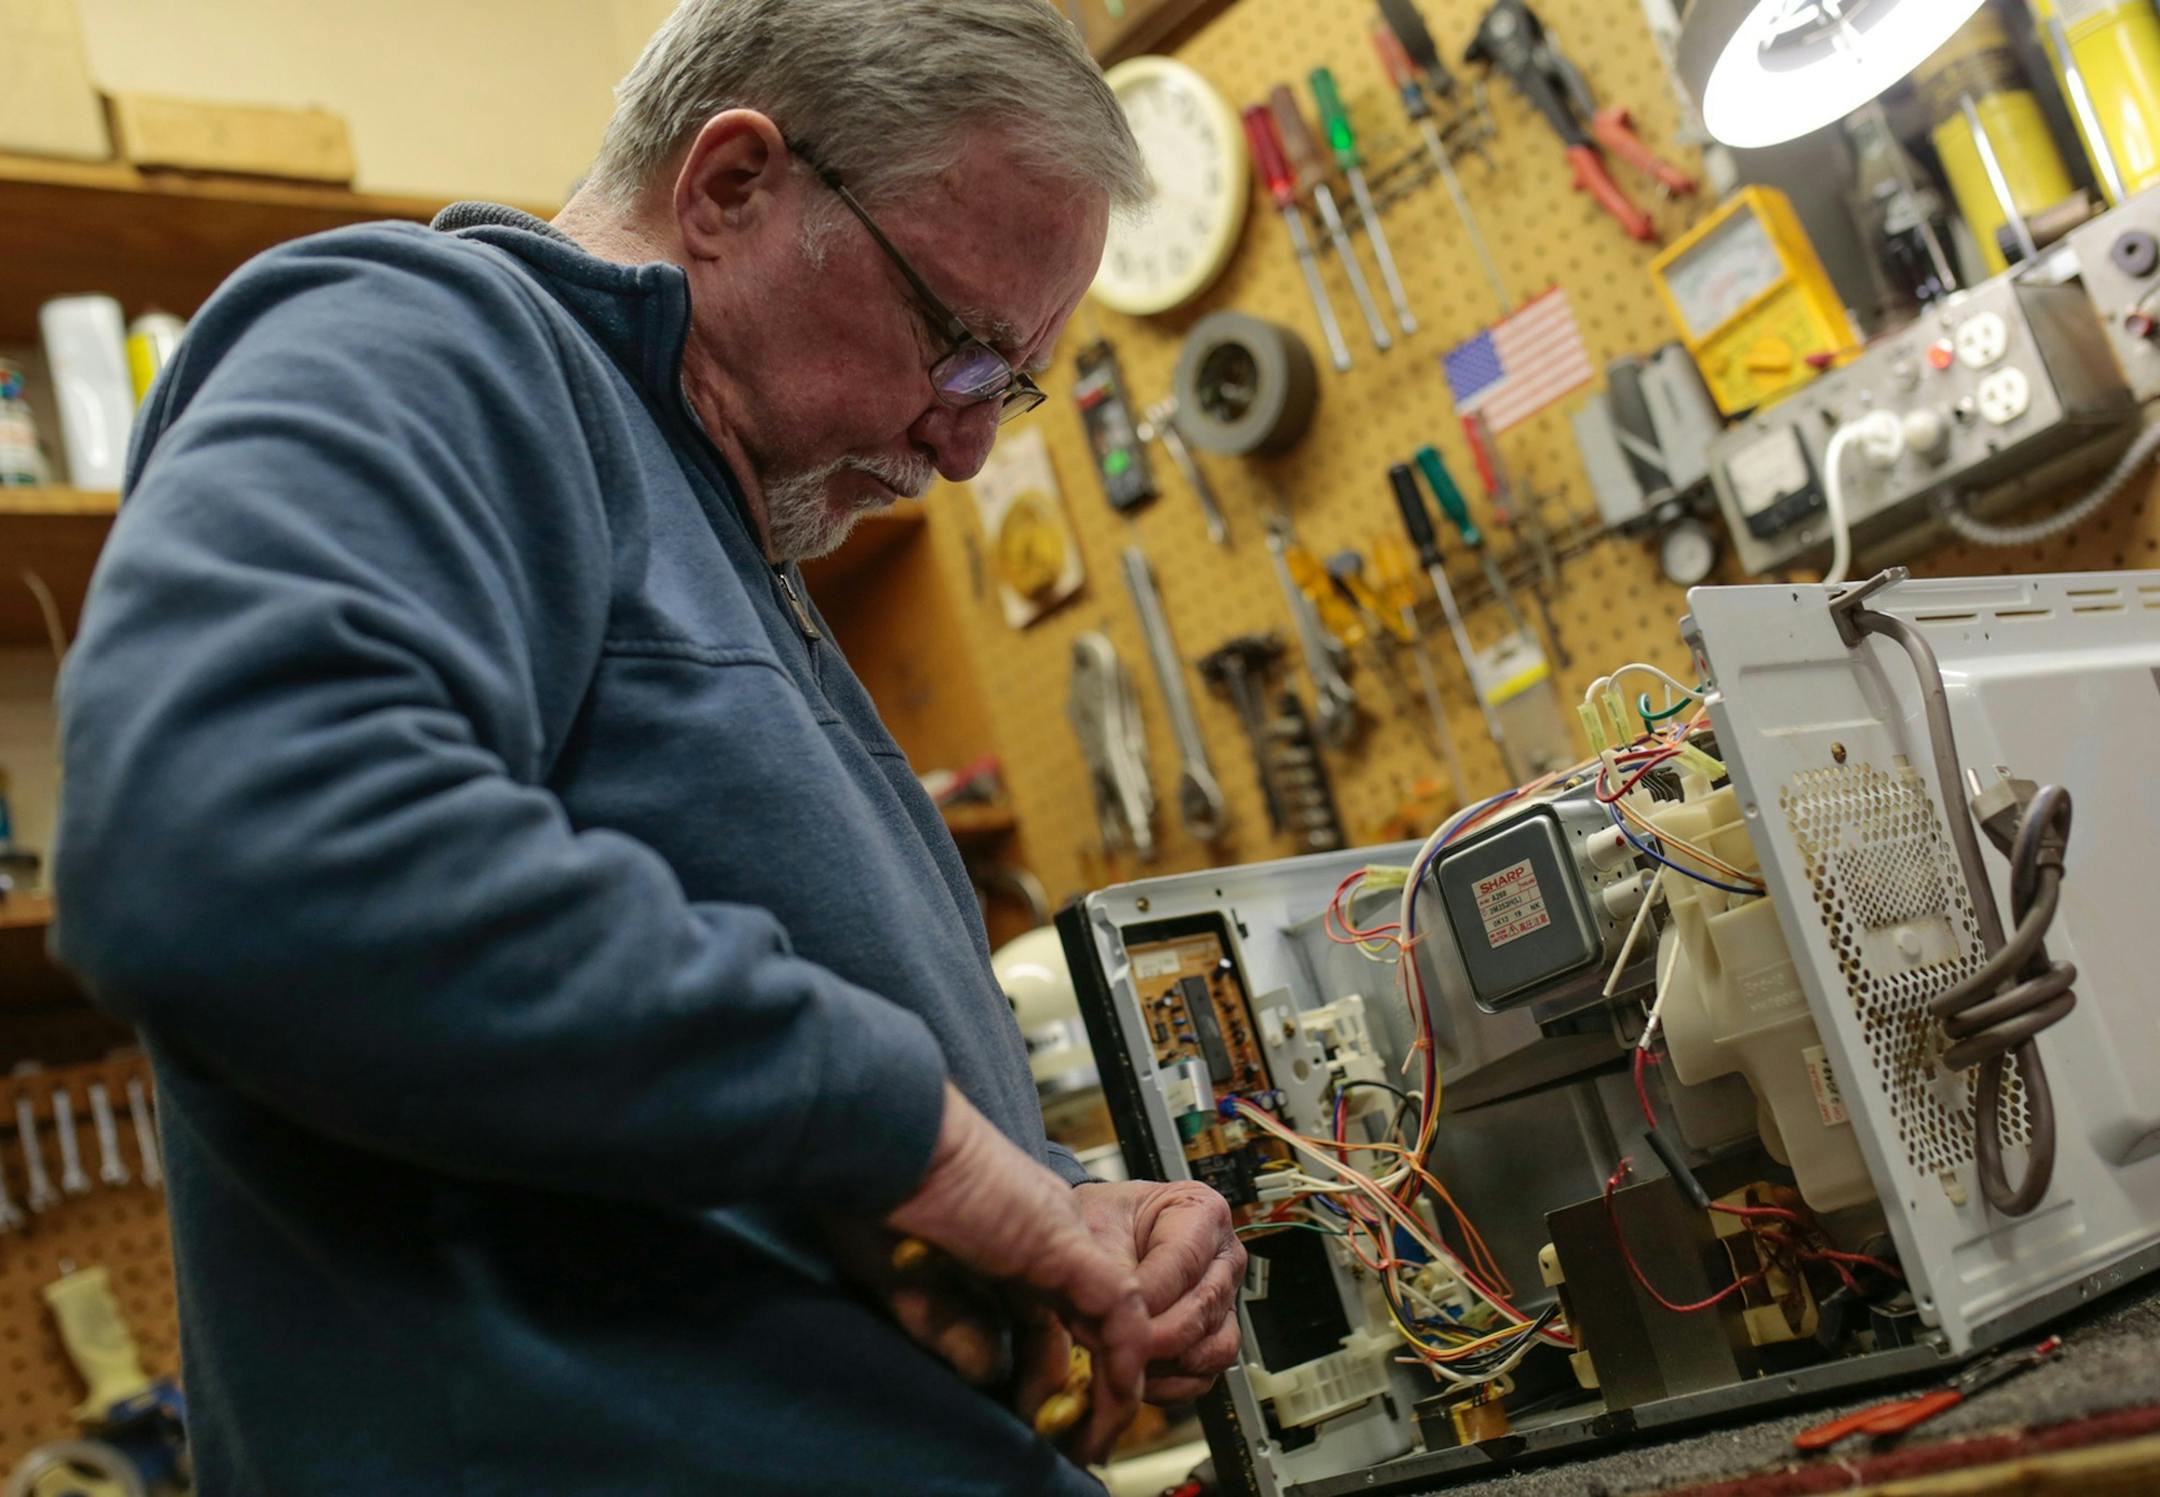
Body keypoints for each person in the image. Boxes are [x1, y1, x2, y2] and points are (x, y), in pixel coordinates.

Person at [50, 2, 1242, 1491]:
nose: (965, 446)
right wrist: (917, 1138)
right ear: (732, 185)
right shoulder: (439, 339)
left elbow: (744, 1131)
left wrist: (1059, 1211)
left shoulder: (732, 540)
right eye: (958, 348)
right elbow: (220, 830)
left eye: (1011, 385)